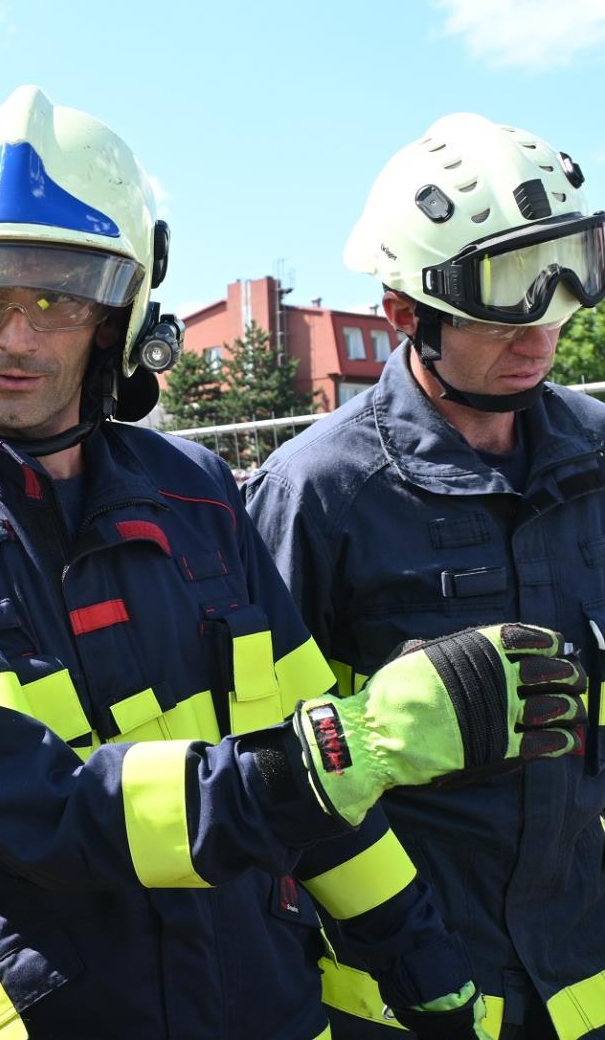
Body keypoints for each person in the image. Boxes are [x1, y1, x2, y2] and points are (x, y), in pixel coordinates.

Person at [0, 86, 589, 1040]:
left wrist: (418, 961)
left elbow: (319, 775)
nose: (15, 337)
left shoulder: (199, 490)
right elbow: (42, 815)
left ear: (118, 312)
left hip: (267, 1007)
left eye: (55, 297)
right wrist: (346, 752)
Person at [244, 113, 605, 1040]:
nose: (544, 323)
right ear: (405, 311)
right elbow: (266, 758)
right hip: (407, 994)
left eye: (564, 272)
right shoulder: (319, 492)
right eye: (506, 292)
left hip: (584, 967)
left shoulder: (597, 454)